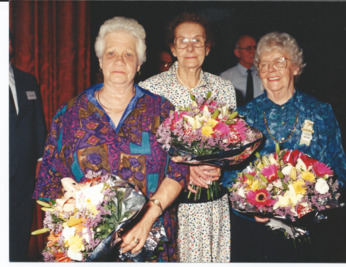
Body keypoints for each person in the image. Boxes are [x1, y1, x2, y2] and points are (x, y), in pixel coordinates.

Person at [32, 16, 189, 262]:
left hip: (150, 241)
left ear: (139, 64)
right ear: (100, 61)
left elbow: (178, 172)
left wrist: (146, 219)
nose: (119, 60)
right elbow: (51, 177)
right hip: (87, 247)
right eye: (111, 53)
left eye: (128, 55)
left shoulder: (162, 110)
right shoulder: (71, 113)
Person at [222, 32, 346, 262]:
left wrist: (310, 202)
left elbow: (339, 170)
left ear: (296, 68)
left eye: (280, 62)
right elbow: (229, 175)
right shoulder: (243, 116)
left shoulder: (320, 112)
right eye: (264, 64)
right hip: (257, 232)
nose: (271, 69)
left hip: (310, 229)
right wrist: (250, 205)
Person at [139, 12, 236, 262]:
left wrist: (219, 166)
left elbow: (233, 143)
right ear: (173, 48)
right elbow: (146, 151)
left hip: (212, 201)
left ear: (207, 47)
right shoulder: (151, 89)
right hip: (172, 204)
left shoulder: (223, 89)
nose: (190, 47)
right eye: (182, 41)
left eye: (197, 41)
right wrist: (185, 170)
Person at [9, 31, 47, 262]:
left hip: (24, 175)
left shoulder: (27, 80)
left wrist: (41, 161)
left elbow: (38, 123)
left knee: (20, 228)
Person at [220, 34, 263, 106]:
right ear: (237, 53)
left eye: (255, 48)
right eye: (249, 48)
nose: (253, 51)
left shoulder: (263, 75)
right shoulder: (226, 77)